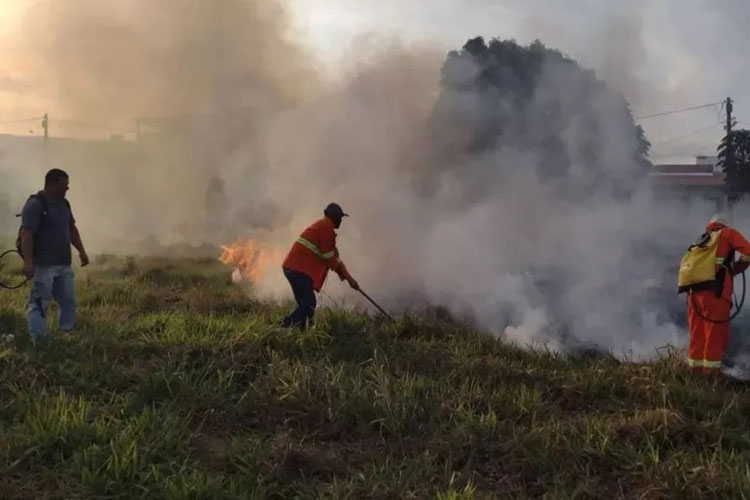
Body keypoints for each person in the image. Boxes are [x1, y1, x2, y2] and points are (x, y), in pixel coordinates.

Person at [19, 168, 89, 345]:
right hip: (43, 265)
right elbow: (27, 234)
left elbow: (72, 230)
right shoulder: (36, 205)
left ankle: (67, 333)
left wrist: (81, 251)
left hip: (63, 263)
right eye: (64, 185)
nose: (67, 189)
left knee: (68, 301)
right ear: (51, 184)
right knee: (40, 303)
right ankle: (40, 340)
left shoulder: (65, 204)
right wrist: (28, 263)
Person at [686, 214, 750, 374]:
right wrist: (737, 268)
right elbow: (748, 251)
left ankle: (694, 374)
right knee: (715, 335)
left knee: (697, 335)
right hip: (715, 294)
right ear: (724, 224)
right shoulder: (727, 233)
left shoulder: (701, 240)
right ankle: (710, 377)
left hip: (693, 295)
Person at [280, 202, 359, 328]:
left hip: (294, 268)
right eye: (340, 217)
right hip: (298, 269)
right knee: (308, 304)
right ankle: (284, 328)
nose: (341, 221)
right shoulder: (326, 228)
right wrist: (349, 279)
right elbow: (330, 258)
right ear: (333, 216)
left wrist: (349, 279)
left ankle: (303, 331)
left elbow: (335, 258)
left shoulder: (324, 228)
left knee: (305, 304)